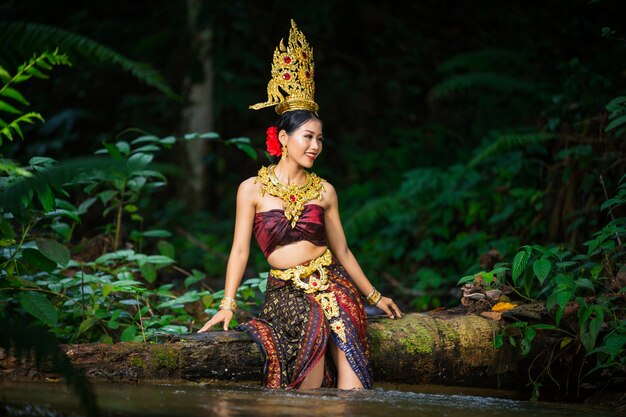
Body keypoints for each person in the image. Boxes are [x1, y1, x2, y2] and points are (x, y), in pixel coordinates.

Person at [198, 20, 402, 390]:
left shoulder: (325, 191)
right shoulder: (251, 189)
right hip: (286, 292)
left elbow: (343, 250)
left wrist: (374, 295)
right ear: (282, 137)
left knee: (352, 382)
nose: (315, 146)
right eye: (308, 136)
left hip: (333, 283)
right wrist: (227, 304)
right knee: (307, 357)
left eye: (320, 139)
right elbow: (241, 250)